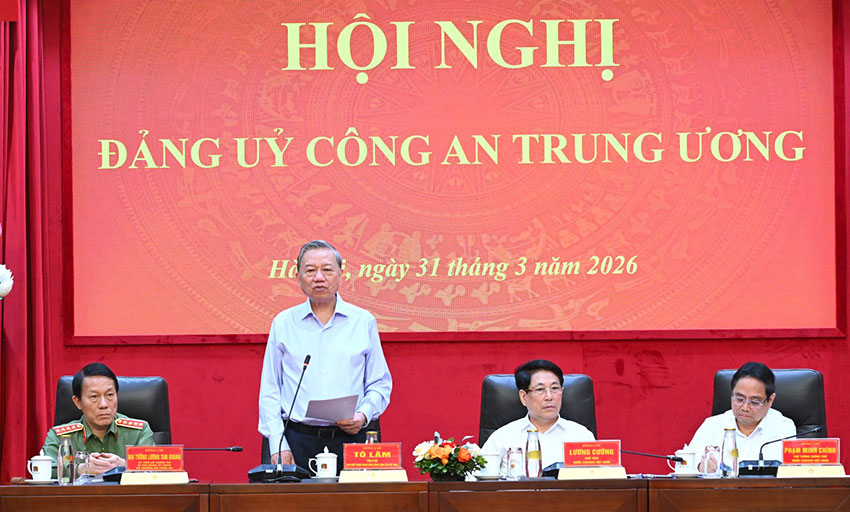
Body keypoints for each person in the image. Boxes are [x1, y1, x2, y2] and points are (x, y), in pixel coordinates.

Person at [258, 240, 392, 472]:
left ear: (341, 274)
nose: (319, 277)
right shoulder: (283, 323)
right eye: (310, 270)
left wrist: (363, 415)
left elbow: (379, 383)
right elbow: (270, 388)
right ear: (298, 276)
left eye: (327, 270)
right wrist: (277, 443)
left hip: (352, 438)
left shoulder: (363, 321)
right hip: (297, 439)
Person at [42, 363, 155, 476]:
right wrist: (80, 469)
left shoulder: (139, 431)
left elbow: (154, 469)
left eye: (110, 395)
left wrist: (125, 465)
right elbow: (47, 471)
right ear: (78, 402)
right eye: (94, 397)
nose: (103, 404)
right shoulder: (60, 436)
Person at [481, 359, 595, 470]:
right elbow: (477, 480)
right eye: (540, 389)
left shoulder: (581, 436)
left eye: (555, 388)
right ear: (523, 397)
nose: (549, 397)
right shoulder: (503, 437)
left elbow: (598, 480)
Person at [688, 362, 796, 472]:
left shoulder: (783, 428)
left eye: (754, 402)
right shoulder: (712, 425)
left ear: (770, 400)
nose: (745, 407)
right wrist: (700, 467)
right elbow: (685, 463)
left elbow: (786, 472)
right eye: (739, 399)